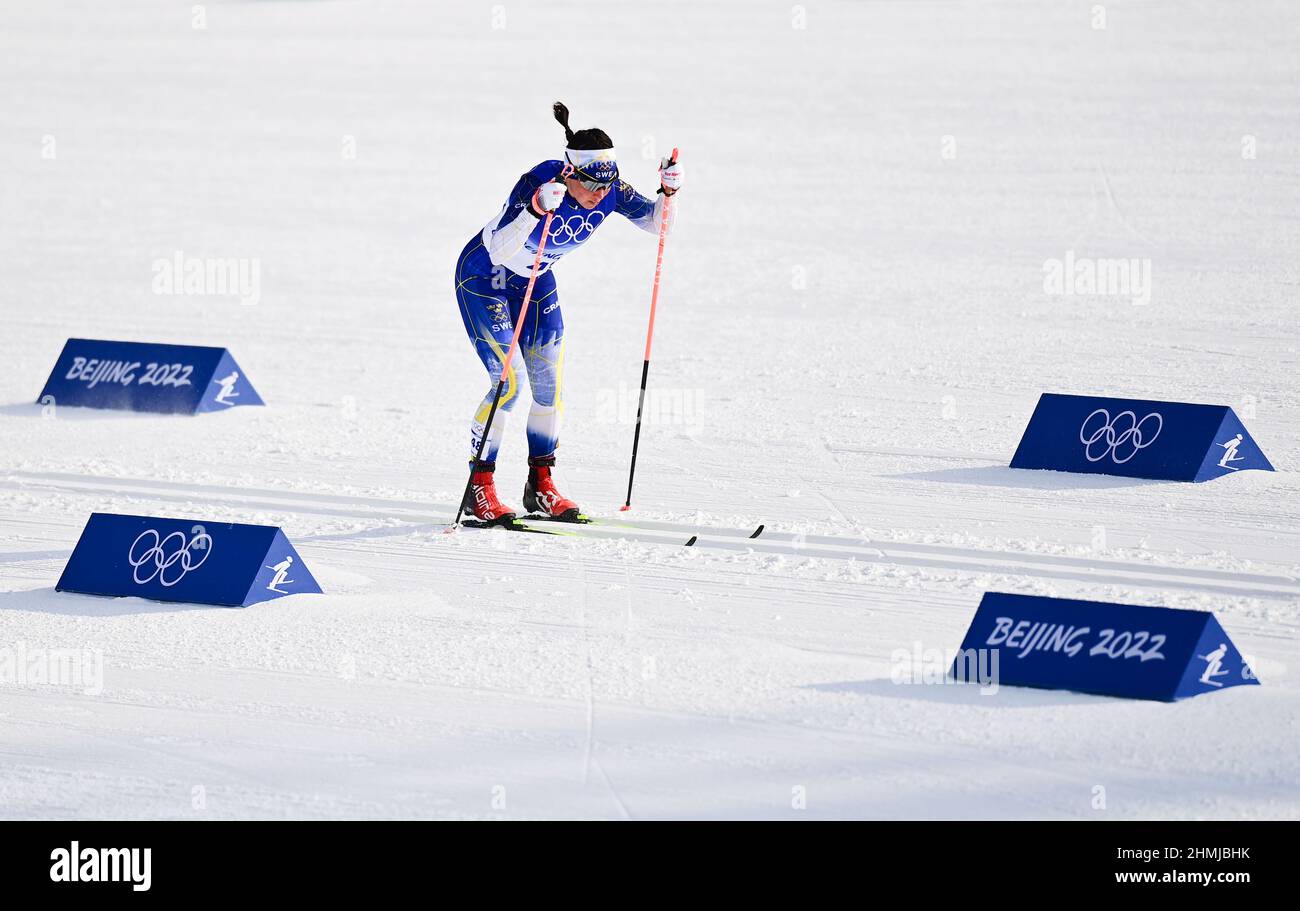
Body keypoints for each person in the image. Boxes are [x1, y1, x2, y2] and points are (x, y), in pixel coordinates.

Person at [455, 102, 684, 523]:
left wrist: (668, 193)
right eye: (592, 186)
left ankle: (540, 485)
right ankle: (479, 489)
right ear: (571, 173)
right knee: (508, 384)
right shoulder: (540, 181)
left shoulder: (609, 189)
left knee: (548, 387)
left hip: (536, 279)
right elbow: (502, 249)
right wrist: (535, 209)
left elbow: (658, 225)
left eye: (606, 186)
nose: (600, 195)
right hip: (485, 275)